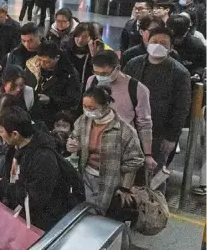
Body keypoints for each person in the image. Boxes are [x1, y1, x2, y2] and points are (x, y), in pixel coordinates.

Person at [0, 107, 74, 231]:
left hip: (39, 222)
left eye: (2, 131)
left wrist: (1, 184)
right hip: (21, 214)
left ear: (15, 134)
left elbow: (33, 197)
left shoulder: (43, 158)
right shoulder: (15, 147)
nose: (0, 135)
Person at [67, 86, 144, 214]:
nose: (87, 112)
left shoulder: (125, 131)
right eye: (84, 107)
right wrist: (72, 145)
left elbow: (135, 160)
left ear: (106, 105)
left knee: (100, 214)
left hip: (110, 182)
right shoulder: (83, 121)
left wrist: (124, 185)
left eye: (92, 108)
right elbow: (74, 137)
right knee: (83, 211)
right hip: (85, 175)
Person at [123, 27, 192, 168]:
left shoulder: (180, 73)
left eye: (163, 43)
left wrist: (171, 137)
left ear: (171, 48)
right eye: (154, 41)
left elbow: (181, 108)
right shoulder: (133, 64)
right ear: (147, 42)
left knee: (153, 173)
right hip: (130, 127)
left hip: (159, 132)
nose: (158, 45)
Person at [88, 51, 155, 170]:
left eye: (104, 73)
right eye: (96, 72)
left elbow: (144, 124)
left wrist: (148, 154)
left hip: (121, 147)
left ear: (117, 68)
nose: (100, 77)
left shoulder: (137, 89)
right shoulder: (92, 81)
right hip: (93, 144)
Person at [24, 42, 81, 129]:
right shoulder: (33, 68)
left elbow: (73, 100)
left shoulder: (69, 74)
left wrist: (50, 100)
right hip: (33, 115)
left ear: (57, 58)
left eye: (47, 61)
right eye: (40, 60)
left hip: (54, 119)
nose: (42, 64)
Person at [66, 23, 105, 89]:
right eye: (78, 36)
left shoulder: (98, 52)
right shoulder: (66, 50)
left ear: (92, 38)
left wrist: (94, 56)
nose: (80, 40)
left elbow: (101, 74)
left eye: (84, 37)